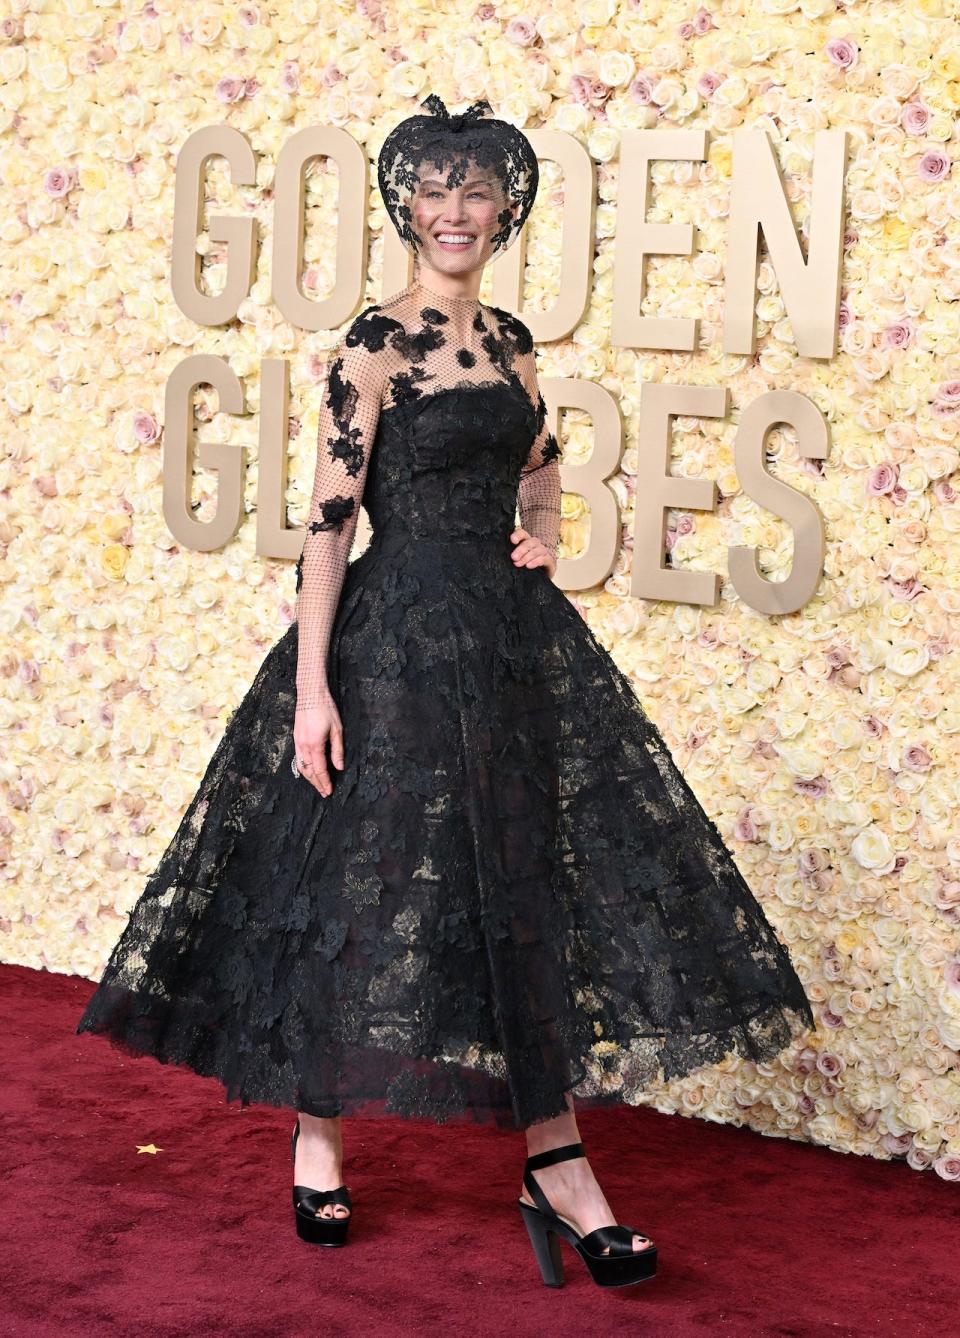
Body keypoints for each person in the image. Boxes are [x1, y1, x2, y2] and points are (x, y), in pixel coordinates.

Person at [76, 95, 815, 1289]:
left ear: (502, 211)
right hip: (392, 647)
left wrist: (542, 538)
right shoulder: (375, 341)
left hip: (511, 648)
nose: (456, 213)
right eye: (436, 194)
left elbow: (541, 468)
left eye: (478, 194)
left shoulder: (516, 342)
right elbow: (325, 523)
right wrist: (313, 686)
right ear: (409, 208)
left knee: (517, 885)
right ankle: (318, 1135)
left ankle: (556, 1163)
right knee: (361, 883)